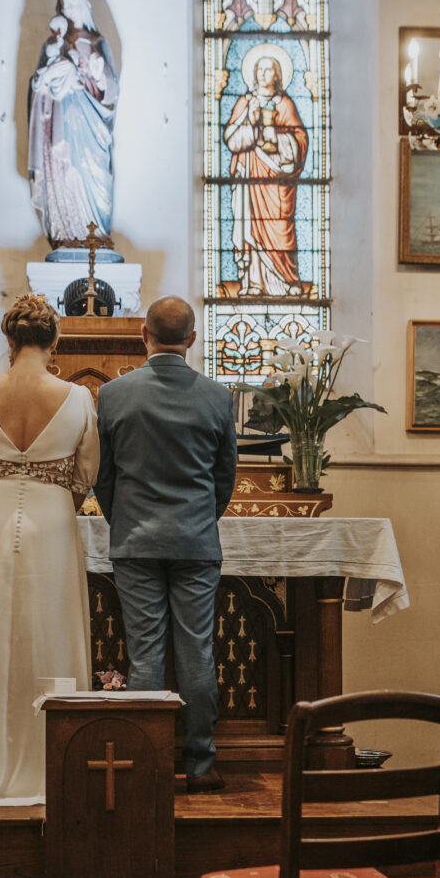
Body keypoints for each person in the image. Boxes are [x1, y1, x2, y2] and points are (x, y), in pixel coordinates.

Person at [0, 294, 99, 805]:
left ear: (9, 341)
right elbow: (87, 475)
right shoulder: (77, 399)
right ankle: (55, 764)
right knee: (51, 635)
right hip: (53, 519)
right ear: (56, 342)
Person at [94, 297, 237, 794]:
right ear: (192, 340)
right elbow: (225, 478)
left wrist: (125, 520)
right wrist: (199, 519)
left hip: (135, 541)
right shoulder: (218, 397)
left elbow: (103, 478)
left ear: (143, 334)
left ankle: (148, 765)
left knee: (146, 655)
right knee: (197, 652)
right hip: (196, 540)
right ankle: (200, 765)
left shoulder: (113, 395)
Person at [27, 0, 118, 248]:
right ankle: (66, 230)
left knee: (93, 173)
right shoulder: (53, 45)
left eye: (77, 3)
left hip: (92, 127)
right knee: (65, 169)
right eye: (67, 5)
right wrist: (54, 75)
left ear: (85, 6)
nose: (73, 9)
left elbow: (111, 91)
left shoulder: (99, 43)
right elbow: (37, 88)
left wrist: (98, 74)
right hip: (61, 125)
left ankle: (95, 232)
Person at [223, 54, 308, 296]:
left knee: (280, 226)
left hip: (278, 181)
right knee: (250, 227)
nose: (263, 73)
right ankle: (253, 283)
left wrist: (277, 137)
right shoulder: (245, 102)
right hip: (250, 176)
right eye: (259, 69)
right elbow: (231, 139)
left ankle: (286, 281)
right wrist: (251, 122)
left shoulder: (285, 104)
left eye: (269, 69)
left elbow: (300, 142)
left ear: (277, 75)